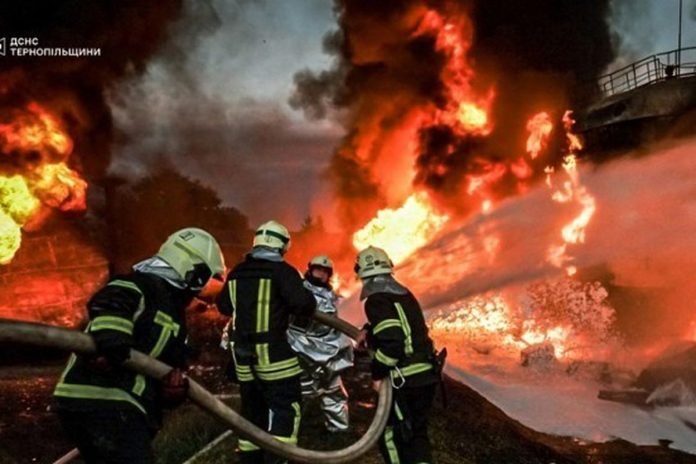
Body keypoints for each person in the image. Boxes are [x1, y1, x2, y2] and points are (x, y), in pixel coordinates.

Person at [54, 227, 226, 464]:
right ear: (193, 271)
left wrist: (173, 392)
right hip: (104, 400)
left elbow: (168, 373)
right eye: (205, 279)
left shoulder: (174, 316)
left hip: (125, 407)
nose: (202, 290)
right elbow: (110, 302)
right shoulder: (139, 286)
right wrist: (111, 341)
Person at [217, 220, 316, 464]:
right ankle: (279, 458)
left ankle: (250, 459)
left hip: (243, 358)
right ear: (283, 246)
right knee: (286, 408)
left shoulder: (237, 273)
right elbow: (303, 305)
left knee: (252, 409)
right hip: (275, 357)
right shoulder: (283, 272)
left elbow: (224, 306)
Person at [354, 246, 439, 464]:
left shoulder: (376, 300)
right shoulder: (403, 294)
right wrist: (369, 329)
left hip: (405, 379)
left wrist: (377, 374)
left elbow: (393, 344)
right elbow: (402, 325)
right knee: (417, 434)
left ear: (361, 272)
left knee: (394, 435)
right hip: (426, 374)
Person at [287, 255, 353, 433]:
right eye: (318, 270)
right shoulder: (298, 290)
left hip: (328, 350)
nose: (321, 274)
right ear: (310, 270)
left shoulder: (333, 295)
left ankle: (338, 431)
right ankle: (287, 431)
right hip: (300, 347)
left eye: (325, 271)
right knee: (296, 391)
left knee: (334, 391)